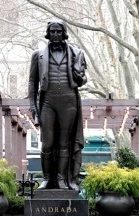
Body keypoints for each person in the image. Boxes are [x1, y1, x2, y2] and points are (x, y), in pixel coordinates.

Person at [28, 19, 87, 190]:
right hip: (48, 102)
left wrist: (78, 76)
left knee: (64, 143)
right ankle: (47, 179)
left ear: (64, 33)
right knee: (47, 143)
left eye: (58, 31)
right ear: (48, 33)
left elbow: (83, 80)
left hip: (69, 102)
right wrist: (33, 107)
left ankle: (62, 180)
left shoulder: (76, 53)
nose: (55, 34)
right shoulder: (37, 54)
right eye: (52, 31)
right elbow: (33, 82)